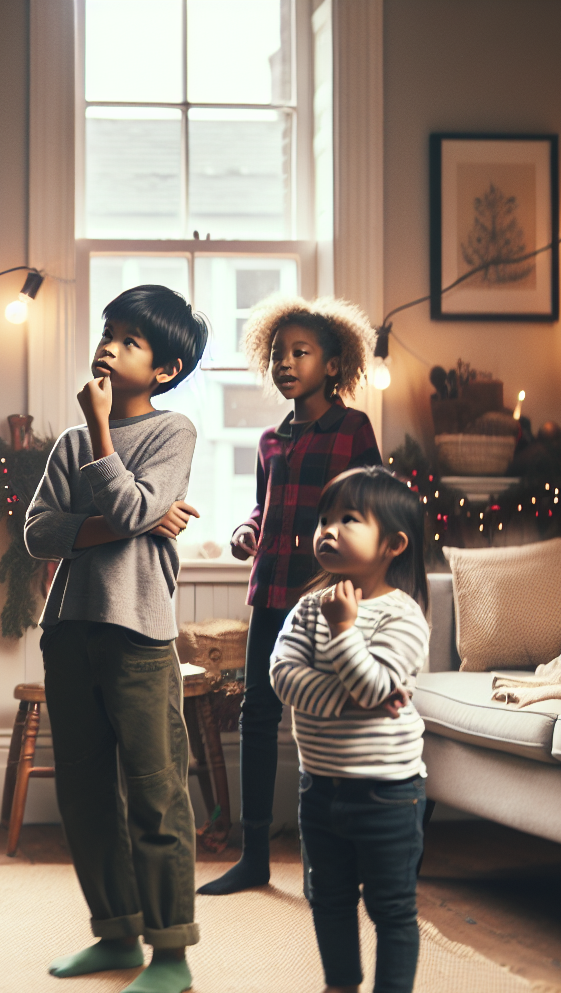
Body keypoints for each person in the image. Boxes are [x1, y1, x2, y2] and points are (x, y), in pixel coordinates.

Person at [23, 285, 209, 993]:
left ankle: (170, 949)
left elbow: (131, 503)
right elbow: (38, 533)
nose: (109, 346)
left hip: (138, 635)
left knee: (157, 793)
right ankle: (115, 932)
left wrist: (103, 440)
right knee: (84, 790)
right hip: (68, 632)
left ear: (164, 368)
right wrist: (122, 521)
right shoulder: (69, 443)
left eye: (130, 339)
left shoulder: (173, 433)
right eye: (109, 332)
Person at [199, 296, 382, 897]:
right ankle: (254, 857)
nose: (285, 363)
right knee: (257, 715)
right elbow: (264, 504)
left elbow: (374, 507)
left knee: (323, 719)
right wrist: (247, 530)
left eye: (300, 353)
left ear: (333, 365)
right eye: (278, 353)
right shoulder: (270, 439)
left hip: (326, 597)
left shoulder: (353, 429)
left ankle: (325, 859)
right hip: (270, 589)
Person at [272, 467, 430, 993]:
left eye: (348, 520)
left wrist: (345, 633)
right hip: (320, 788)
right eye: (323, 520)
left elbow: (374, 684)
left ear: (393, 545)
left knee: (390, 905)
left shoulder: (404, 617)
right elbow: (282, 677)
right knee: (328, 897)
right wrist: (353, 696)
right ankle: (342, 984)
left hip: (388, 794)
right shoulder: (307, 607)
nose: (328, 531)